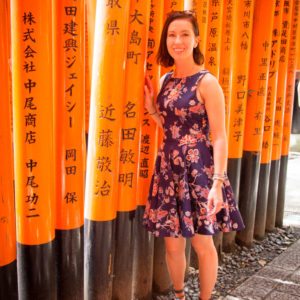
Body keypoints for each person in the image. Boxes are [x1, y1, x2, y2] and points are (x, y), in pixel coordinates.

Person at [142, 10, 245, 300]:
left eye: (185, 34)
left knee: (202, 243)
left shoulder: (207, 83)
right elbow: (172, 127)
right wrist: (152, 109)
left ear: (196, 40)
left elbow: (220, 136)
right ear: (166, 40)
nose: (178, 41)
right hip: (168, 169)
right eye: (172, 35)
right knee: (172, 245)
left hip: (199, 170)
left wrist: (217, 183)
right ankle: (179, 296)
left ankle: (205, 298)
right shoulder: (164, 81)